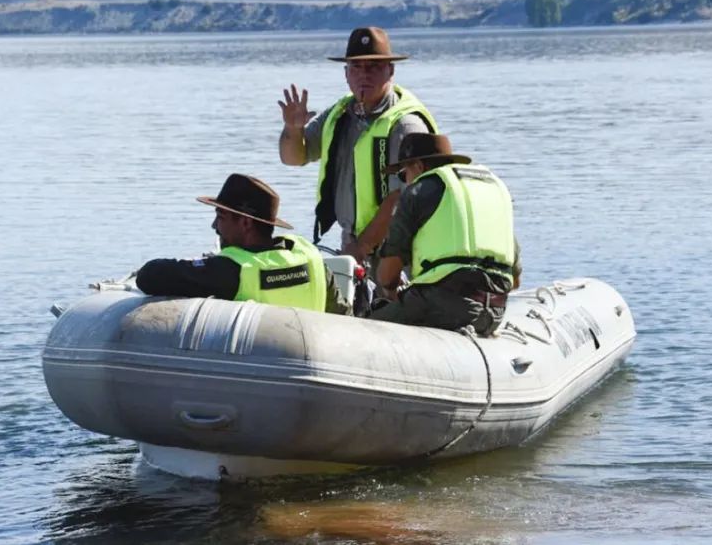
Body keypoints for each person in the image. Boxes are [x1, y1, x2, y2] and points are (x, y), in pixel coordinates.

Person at [278, 26, 438, 264]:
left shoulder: (406, 125)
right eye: (357, 67)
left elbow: (403, 198)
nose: (364, 74)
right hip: (354, 245)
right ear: (346, 73)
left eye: (374, 67)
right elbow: (293, 158)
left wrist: (362, 247)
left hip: (401, 250)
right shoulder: (340, 114)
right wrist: (293, 128)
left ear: (390, 70)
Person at [371, 133, 522, 335]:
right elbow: (516, 281)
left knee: (369, 326)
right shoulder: (489, 192)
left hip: (442, 306)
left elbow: (387, 276)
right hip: (495, 313)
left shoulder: (418, 192)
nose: (404, 181)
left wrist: (390, 292)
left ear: (418, 166)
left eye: (402, 174)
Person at [135, 174, 350, 314]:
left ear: (246, 223)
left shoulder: (234, 269)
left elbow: (150, 276)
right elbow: (344, 316)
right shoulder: (310, 256)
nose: (214, 226)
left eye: (221, 217)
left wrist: (199, 265)